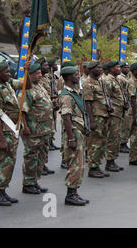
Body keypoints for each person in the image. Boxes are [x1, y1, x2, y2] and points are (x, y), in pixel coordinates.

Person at [0, 60, 31, 206]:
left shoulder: (7, 83)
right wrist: (1, 139)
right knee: (1, 162)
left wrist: (27, 72)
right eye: (6, 71)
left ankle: (3, 191)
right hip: (4, 133)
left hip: (12, 131)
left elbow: (27, 86)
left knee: (9, 162)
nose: (8, 73)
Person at [20, 62, 54, 195]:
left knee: (41, 156)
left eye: (40, 73)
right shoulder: (27, 90)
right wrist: (25, 127)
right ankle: (27, 183)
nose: (40, 75)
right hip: (34, 130)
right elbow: (22, 111)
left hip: (44, 130)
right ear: (30, 74)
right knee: (31, 157)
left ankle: (34, 181)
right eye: (37, 73)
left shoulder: (39, 86)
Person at [59, 66, 89, 206]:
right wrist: (71, 138)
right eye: (76, 74)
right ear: (69, 77)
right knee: (75, 165)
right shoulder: (66, 95)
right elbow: (66, 118)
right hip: (74, 134)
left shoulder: (75, 93)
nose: (78, 76)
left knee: (80, 164)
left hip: (79, 132)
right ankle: (70, 195)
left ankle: (75, 192)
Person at [83, 60, 111, 178]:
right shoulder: (88, 83)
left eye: (100, 67)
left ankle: (97, 166)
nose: (100, 69)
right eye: (97, 67)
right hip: (96, 116)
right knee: (94, 143)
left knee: (102, 142)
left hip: (104, 115)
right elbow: (87, 103)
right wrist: (91, 120)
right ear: (90, 69)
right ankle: (92, 168)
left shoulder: (99, 82)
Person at [102, 61, 125, 172]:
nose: (119, 68)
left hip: (119, 113)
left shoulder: (117, 79)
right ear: (111, 69)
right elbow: (106, 98)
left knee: (116, 137)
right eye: (117, 67)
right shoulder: (108, 81)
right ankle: (109, 162)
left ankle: (112, 160)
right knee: (112, 137)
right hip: (113, 113)